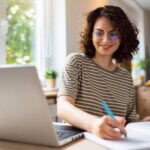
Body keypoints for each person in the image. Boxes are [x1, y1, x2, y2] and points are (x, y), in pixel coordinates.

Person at [57, 5, 150, 140]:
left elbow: (128, 121)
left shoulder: (125, 78)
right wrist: (93, 124)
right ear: (91, 34)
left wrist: (143, 123)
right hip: (78, 141)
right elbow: (63, 106)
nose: (106, 40)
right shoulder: (76, 62)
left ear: (122, 37)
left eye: (113, 34)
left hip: (113, 142)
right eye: (99, 33)